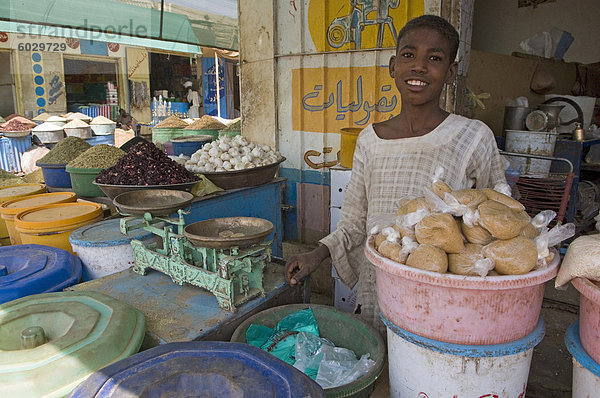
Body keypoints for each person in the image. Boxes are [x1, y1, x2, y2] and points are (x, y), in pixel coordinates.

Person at [285, 15, 506, 334]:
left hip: (444, 295)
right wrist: (317, 254)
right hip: (380, 292)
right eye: (408, 55)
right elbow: (354, 223)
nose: (418, 66)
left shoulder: (472, 138)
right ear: (393, 66)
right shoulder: (370, 140)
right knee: (382, 367)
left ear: (451, 72)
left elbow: (495, 224)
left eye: (434, 58)